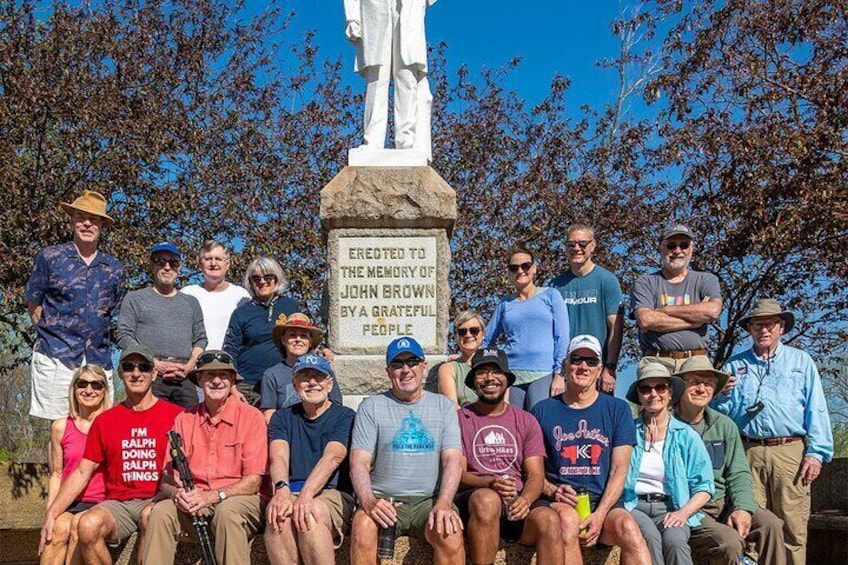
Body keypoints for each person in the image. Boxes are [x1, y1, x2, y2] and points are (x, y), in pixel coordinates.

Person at [713, 299, 833, 565]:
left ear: (781, 327)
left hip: (790, 451)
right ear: (750, 329)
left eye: (770, 323)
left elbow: (817, 408)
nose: (763, 329)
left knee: (793, 524)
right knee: (752, 523)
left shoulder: (801, 361)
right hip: (748, 451)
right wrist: (720, 395)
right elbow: (722, 417)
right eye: (757, 324)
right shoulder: (734, 365)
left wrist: (816, 453)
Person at [39, 345, 183, 563]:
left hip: (157, 499)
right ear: (120, 373)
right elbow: (81, 472)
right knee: (87, 525)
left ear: (154, 374)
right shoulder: (106, 421)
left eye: (144, 367)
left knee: (150, 518)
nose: (136, 373)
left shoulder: (176, 415)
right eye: (128, 367)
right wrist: (52, 513)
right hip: (118, 504)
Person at [532, 335, 651, 565]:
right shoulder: (542, 411)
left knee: (629, 529)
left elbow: (619, 469)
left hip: (602, 501)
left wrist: (600, 513)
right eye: (576, 359)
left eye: (591, 361)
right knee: (567, 522)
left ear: (600, 369)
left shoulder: (617, 409)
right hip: (560, 501)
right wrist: (552, 491)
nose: (583, 367)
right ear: (565, 365)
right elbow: (533, 471)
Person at [144, 350, 267, 564]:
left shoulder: (252, 417)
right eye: (209, 375)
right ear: (199, 380)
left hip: (239, 499)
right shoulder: (184, 419)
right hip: (195, 501)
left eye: (223, 375)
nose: (216, 381)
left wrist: (212, 497)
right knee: (161, 513)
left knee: (227, 514)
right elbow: (167, 479)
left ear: (232, 381)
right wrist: (178, 494)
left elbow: (253, 481)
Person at [349, 337, 465, 565]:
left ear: (423, 366)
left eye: (412, 362)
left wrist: (444, 503)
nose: (405, 369)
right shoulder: (371, 406)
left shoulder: (444, 406)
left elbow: (452, 460)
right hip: (385, 500)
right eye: (397, 364)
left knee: (449, 533)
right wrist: (369, 500)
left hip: (429, 500)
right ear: (388, 371)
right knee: (362, 526)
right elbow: (359, 462)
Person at [673, 356, 786, 565]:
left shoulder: (725, 425)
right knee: (729, 542)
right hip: (690, 507)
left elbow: (738, 472)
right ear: (680, 386)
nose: (701, 388)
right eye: (695, 382)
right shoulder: (667, 425)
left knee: (771, 524)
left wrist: (742, 507)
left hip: (724, 500)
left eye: (708, 383)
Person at [456, 348, 563, 565]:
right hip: (475, 503)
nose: (489, 378)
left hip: (517, 502)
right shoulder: (460, 419)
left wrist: (526, 500)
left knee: (550, 519)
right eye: (481, 372)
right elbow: (457, 473)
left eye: (497, 371)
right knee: (487, 500)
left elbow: (535, 475)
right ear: (473, 380)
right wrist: (489, 483)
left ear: (507, 379)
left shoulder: (525, 420)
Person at [26, 189, 124, 420]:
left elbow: (114, 313)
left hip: (97, 359)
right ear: (72, 221)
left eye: (94, 219)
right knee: (59, 429)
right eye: (81, 218)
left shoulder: (114, 267)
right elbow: (34, 303)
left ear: (102, 225)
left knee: (99, 429)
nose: (87, 224)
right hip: (56, 355)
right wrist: (51, 336)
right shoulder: (50, 257)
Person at [265, 353, 356, 565]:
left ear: (330, 384)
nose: (312, 383)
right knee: (277, 514)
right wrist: (281, 490)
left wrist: (306, 494)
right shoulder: (282, 417)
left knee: (310, 514)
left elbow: (333, 456)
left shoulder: (345, 416)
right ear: (295, 384)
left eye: (319, 377)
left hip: (332, 493)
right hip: (292, 490)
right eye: (305, 377)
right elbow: (278, 456)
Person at [624, 361, 714, 565]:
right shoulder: (627, 431)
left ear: (670, 393)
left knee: (675, 541)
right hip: (633, 504)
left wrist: (683, 512)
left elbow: (705, 486)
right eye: (646, 389)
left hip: (671, 506)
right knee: (650, 538)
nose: (653, 394)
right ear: (639, 395)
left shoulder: (687, 435)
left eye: (660, 387)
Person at [117, 242, 207, 409]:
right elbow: (123, 334)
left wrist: (189, 366)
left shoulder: (191, 302)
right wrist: (153, 363)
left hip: (184, 377)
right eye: (161, 262)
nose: (167, 267)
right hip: (150, 374)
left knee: (190, 428)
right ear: (152, 264)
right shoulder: (135, 299)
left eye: (173, 262)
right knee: (150, 428)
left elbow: (201, 339)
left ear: (179, 267)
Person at [483, 244, 570, 411]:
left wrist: (559, 374)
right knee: (515, 427)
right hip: (513, 375)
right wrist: (464, 357)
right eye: (514, 267)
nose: (520, 271)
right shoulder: (505, 303)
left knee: (540, 425)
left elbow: (562, 336)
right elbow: (486, 338)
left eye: (525, 266)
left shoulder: (551, 295)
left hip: (543, 373)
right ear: (509, 272)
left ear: (534, 268)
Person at [343, 0, 436, 154]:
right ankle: (372, 140)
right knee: (376, 78)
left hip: (408, 8)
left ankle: (407, 141)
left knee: (406, 75)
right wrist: (352, 18)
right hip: (374, 9)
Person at [40, 365, 111, 565]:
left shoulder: (111, 424)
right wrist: (50, 512)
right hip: (69, 501)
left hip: (101, 502)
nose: (89, 390)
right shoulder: (60, 427)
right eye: (82, 384)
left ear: (104, 391)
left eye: (96, 385)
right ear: (74, 389)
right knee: (56, 530)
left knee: (79, 528)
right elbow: (56, 473)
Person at [630, 223, 722, 372]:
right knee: (653, 392)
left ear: (691, 249)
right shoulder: (645, 282)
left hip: (696, 358)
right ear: (661, 248)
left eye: (684, 245)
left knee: (701, 390)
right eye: (671, 245)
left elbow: (712, 311)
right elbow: (646, 320)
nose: (677, 251)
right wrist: (695, 321)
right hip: (656, 360)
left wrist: (663, 310)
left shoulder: (706, 280)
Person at [549, 223, 624, 394]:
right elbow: (551, 333)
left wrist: (610, 367)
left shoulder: (606, 280)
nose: (577, 248)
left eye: (582, 244)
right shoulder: (555, 285)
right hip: (566, 372)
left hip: (596, 370)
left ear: (593, 245)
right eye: (571, 244)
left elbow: (616, 328)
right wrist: (558, 373)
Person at [223, 256, 303, 406]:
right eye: (256, 278)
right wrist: (232, 387)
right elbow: (230, 351)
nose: (262, 281)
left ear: (276, 278)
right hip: (248, 385)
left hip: (283, 381)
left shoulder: (290, 306)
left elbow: (304, 338)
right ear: (251, 282)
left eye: (268, 276)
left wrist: (323, 350)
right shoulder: (241, 313)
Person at [260, 313, 342, 423]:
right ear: (284, 340)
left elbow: (336, 407)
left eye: (304, 336)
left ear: (310, 342)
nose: (298, 339)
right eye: (292, 335)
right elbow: (269, 415)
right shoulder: (271, 375)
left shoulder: (324, 370)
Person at [181, 240, 250, 350]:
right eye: (208, 259)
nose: (213, 263)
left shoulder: (241, 295)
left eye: (218, 259)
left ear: (227, 264)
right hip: (196, 364)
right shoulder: (187, 294)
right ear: (200, 264)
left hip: (230, 363)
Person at [437, 310, 485, 409]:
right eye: (462, 332)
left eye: (474, 330)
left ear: (483, 333)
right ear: (456, 337)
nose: (468, 335)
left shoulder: (496, 365)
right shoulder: (448, 369)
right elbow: (452, 408)